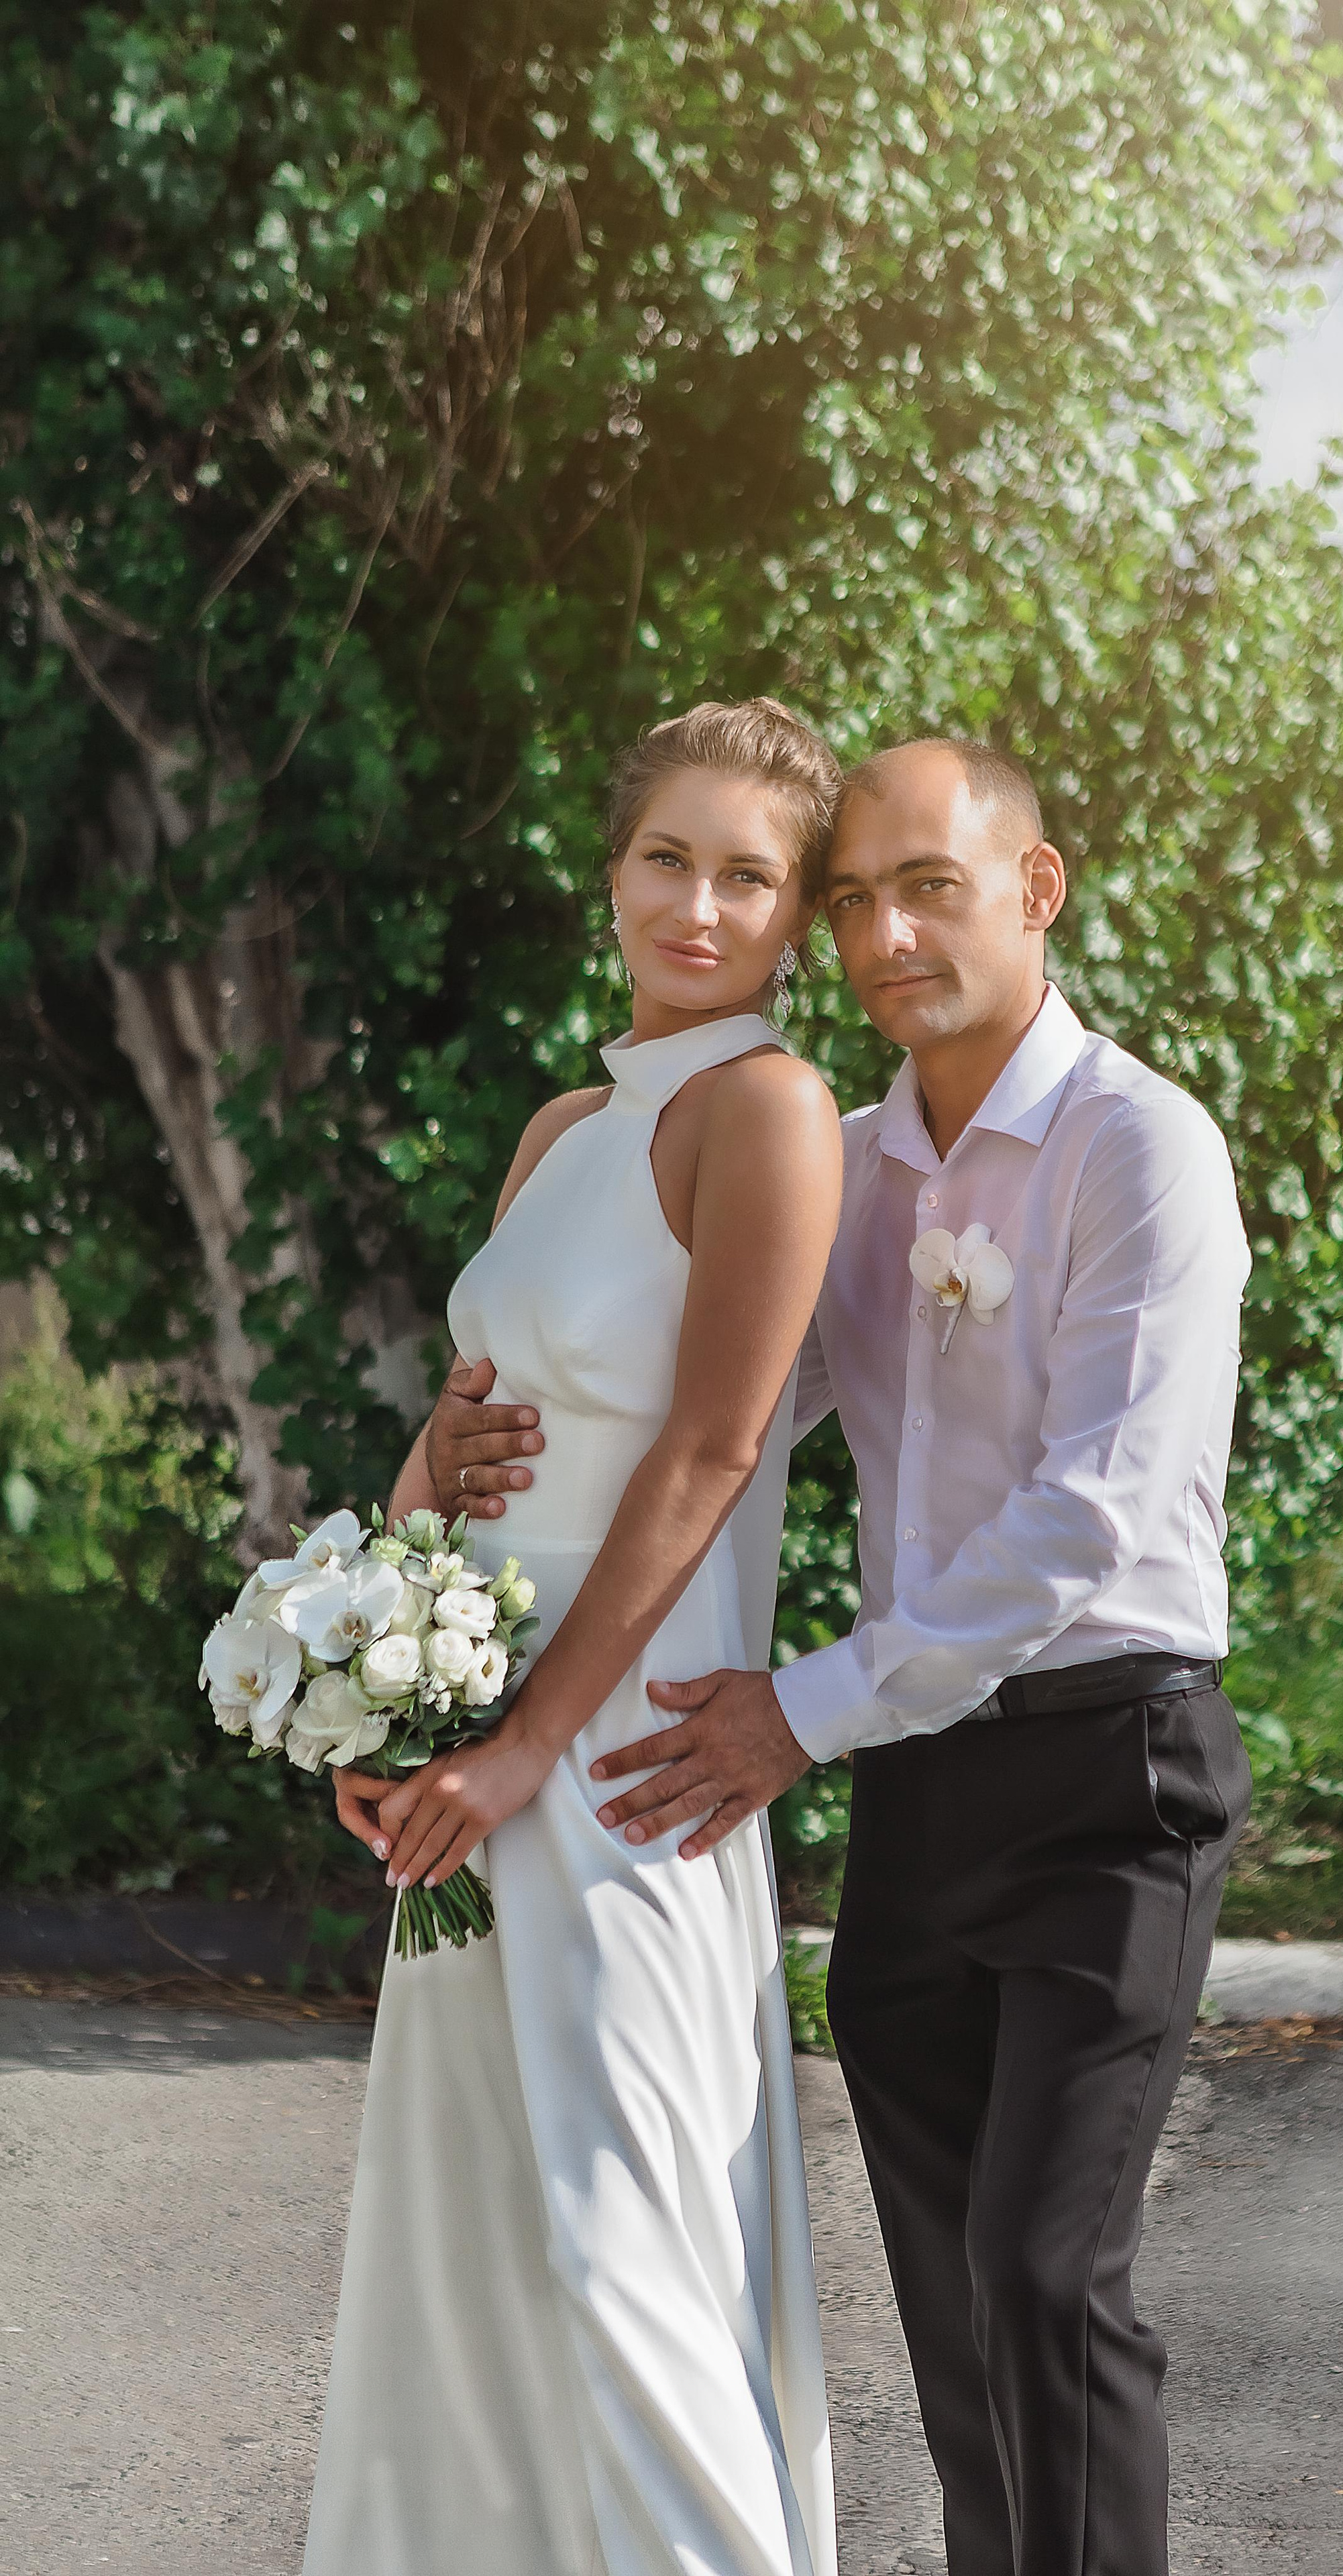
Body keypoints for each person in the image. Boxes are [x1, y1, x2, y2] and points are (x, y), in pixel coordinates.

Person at [432, 737, 1254, 2576]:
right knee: (959, 2313)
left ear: (1034, 891)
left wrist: (794, 1710)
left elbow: (1090, 1523)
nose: (887, 932)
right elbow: (712, 1415)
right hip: (916, 1782)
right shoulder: (852, 1155)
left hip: (1110, 1766)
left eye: (931, 888)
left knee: (1052, 2282)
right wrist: (474, 1467)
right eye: (861, 896)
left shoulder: (1143, 1146)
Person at [302, 700, 845, 2576]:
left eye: (749, 876)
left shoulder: (767, 1112)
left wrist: (534, 1738)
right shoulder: (568, 1124)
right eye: (668, 859)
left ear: (798, 918)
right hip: (470, 1757)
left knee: (627, 2256)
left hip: (614, 1760)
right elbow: (461, 1418)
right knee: (476, 2252)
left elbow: (710, 1445)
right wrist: (370, 1687)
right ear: (612, 872)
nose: (698, 905)